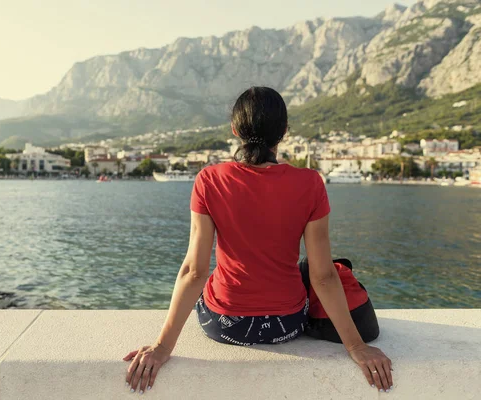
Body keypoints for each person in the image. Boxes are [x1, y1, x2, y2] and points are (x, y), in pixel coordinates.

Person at [123, 87, 393, 394]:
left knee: (214, 281)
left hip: (224, 325)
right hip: (286, 325)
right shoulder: (310, 183)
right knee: (307, 267)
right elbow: (323, 276)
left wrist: (161, 348)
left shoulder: (209, 180)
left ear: (235, 130)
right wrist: (356, 347)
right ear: (285, 132)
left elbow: (194, 272)